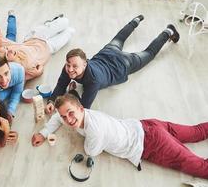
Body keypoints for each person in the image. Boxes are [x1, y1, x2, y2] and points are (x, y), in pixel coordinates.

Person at [32, 93, 208, 179]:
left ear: (80, 108)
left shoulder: (95, 129)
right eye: (64, 116)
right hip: (147, 125)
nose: (67, 120)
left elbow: (91, 151)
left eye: (70, 113)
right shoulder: (76, 115)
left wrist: (83, 136)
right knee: (196, 131)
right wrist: (44, 132)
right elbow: (56, 117)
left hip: (151, 143)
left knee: (200, 167)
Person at [45, 15, 180, 115]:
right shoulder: (68, 67)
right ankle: (135, 21)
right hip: (107, 53)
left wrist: (71, 94)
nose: (70, 69)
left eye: (75, 66)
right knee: (119, 38)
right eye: (68, 65)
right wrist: (51, 101)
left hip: (123, 64)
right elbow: (61, 84)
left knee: (149, 54)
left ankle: (168, 31)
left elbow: (84, 108)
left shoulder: (93, 81)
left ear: (85, 64)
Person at [0, 14, 75, 81]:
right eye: (6, 54)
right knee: (70, 31)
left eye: (6, 48)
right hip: (49, 47)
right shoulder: (22, 69)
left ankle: (50, 23)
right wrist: (39, 72)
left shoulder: (7, 48)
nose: (9, 50)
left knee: (65, 21)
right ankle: (51, 25)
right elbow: (39, 71)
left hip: (36, 36)